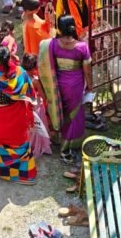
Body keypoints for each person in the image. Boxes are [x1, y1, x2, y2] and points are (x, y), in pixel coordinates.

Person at [0, 46, 36, 184]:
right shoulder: (21, 72)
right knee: (20, 143)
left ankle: (0, 171)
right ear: (9, 57)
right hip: (18, 117)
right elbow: (30, 93)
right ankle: (25, 175)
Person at [38, 15, 92, 163]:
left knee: (61, 111)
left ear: (59, 28)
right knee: (74, 115)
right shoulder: (82, 47)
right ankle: (67, 147)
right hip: (75, 86)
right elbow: (87, 71)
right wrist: (90, 86)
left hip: (58, 85)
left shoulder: (52, 44)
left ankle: (59, 136)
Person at [20, 52, 51, 158]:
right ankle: (40, 145)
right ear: (34, 68)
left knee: (29, 128)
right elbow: (43, 96)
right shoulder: (35, 81)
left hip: (25, 105)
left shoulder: (20, 76)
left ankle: (29, 143)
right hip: (36, 106)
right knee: (39, 126)